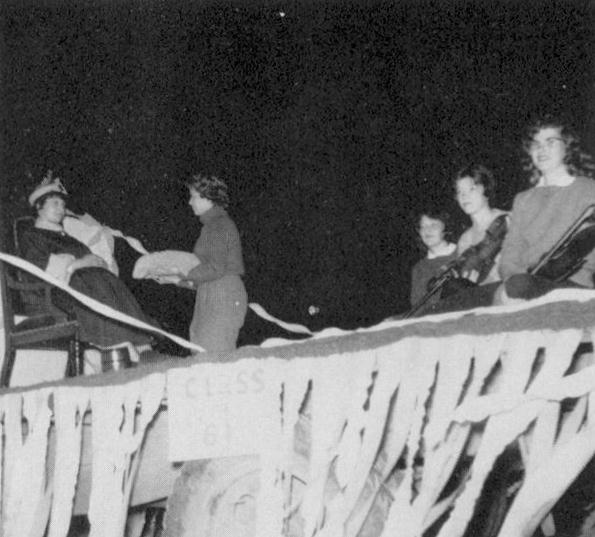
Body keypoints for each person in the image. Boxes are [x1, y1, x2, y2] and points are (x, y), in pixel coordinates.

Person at [21, 177, 155, 350]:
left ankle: (135, 342)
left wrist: (97, 262)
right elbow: (39, 268)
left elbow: (89, 257)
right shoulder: (33, 235)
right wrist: (78, 264)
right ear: (39, 207)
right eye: (55, 203)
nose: (61, 209)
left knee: (109, 281)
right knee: (96, 284)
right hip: (59, 289)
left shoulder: (67, 236)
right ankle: (115, 342)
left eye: (63, 205)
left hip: (88, 281)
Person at [498, 115, 595, 301]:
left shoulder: (588, 189)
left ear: (567, 147)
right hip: (522, 282)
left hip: (570, 284)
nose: (541, 149)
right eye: (535, 144)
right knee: (457, 298)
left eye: (550, 142)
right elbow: (510, 253)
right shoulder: (523, 200)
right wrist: (510, 281)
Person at [419, 165, 508, 315]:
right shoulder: (464, 240)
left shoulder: (507, 220)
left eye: (471, 189)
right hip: (479, 299)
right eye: (460, 192)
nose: (464, 196)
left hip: (503, 293)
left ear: (486, 190)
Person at [175, 173, 248, 353]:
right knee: (203, 350)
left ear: (208, 198)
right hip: (213, 291)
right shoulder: (212, 225)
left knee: (213, 354)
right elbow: (210, 270)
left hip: (222, 293)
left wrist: (183, 273)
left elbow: (215, 268)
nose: (190, 202)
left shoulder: (218, 225)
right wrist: (178, 279)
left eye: (193, 196)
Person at [409, 208, 457, 310]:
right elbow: (417, 308)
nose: (428, 231)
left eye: (433, 225)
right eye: (423, 226)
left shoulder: (461, 253)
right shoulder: (419, 268)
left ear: (446, 228)